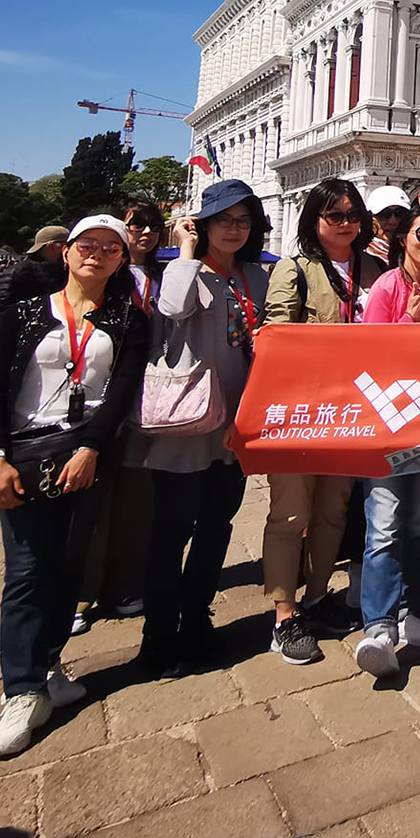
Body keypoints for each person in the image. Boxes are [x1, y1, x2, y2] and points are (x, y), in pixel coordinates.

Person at [0, 214, 149, 759]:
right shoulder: (27, 313)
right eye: (87, 245)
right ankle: (20, 691)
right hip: (27, 451)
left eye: (110, 248)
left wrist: (91, 448)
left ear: (122, 260)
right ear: (67, 252)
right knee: (28, 570)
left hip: (87, 450)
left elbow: (122, 390)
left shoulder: (127, 318)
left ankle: (48, 663)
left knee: (70, 564)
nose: (97, 254)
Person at [130, 182, 268, 678]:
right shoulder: (183, 271)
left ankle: (197, 620)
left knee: (216, 528)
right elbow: (171, 310)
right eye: (222, 219)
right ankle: (158, 635)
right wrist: (185, 249)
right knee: (170, 534)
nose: (233, 228)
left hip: (235, 424)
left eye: (242, 220)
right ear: (202, 225)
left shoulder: (255, 275)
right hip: (186, 421)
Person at [260, 178, 382, 664]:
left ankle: (316, 595)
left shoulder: (373, 268)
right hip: (302, 408)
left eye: (354, 215)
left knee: (334, 507)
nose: (347, 223)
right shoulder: (295, 269)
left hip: (353, 408)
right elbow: (276, 334)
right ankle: (283, 613)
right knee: (291, 512)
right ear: (315, 219)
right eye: (336, 215)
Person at [353, 203, 420, 678]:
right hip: (386, 425)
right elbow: (369, 352)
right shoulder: (388, 287)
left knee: (417, 521)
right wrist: (411, 323)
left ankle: (405, 612)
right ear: (403, 239)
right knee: (385, 523)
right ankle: (377, 624)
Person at [71, 202, 168, 636]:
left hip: (147, 394)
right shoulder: (107, 277)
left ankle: (126, 584)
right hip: (97, 395)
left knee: (136, 498)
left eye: (152, 226)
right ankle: (79, 593)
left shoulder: (163, 275)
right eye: (136, 226)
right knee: (91, 501)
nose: (144, 233)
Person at [0, 226, 71, 322]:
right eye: (66, 245)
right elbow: (0, 306)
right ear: (51, 246)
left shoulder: (65, 271)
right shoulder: (19, 271)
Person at [363, 185, 412, 267]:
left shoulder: (417, 255)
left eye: (400, 214)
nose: (393, 221)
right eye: (385, 214)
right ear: (371, 218)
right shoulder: (361, 259)